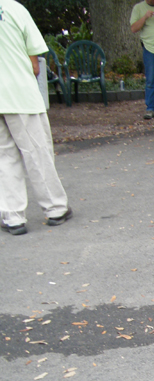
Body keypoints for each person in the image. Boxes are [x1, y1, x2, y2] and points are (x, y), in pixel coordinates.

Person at [0, 0, 73, 236]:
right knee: (37, 152)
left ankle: (12, 216)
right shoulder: (13, 8)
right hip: (19, 93)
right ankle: (55, 208)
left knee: (4, 157)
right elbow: (35, 63)